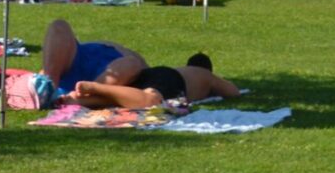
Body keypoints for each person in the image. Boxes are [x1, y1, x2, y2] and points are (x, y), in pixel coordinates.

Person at [71, 49, 248, 110]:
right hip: (172, 79)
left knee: (120, 100)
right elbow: (233, 92)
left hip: (157, 72)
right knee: (151, 100)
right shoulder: (206, 76)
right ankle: (96, 88)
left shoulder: (188, 70)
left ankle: (73, 100)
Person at [40, 20, 143, 102]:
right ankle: (48, 89)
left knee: (132, 63)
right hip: (79, 60)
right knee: (59, 25)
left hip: (105, 76)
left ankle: (85, 94)